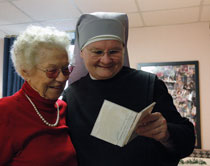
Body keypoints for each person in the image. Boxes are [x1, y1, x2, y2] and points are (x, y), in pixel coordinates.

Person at [62, 12, 195, 166]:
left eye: (114, 51)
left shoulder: (149, 84)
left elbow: (187, 141)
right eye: (97, 52)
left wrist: (166, 133)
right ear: (81, 53)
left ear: (123, 50)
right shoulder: (71, 96)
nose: (106, 60)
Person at [0, 26, 78, 166]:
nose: (61, 78)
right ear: (25, 71)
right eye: (52, 71)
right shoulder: (4, 112)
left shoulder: (62, 108)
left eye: (65, 69)